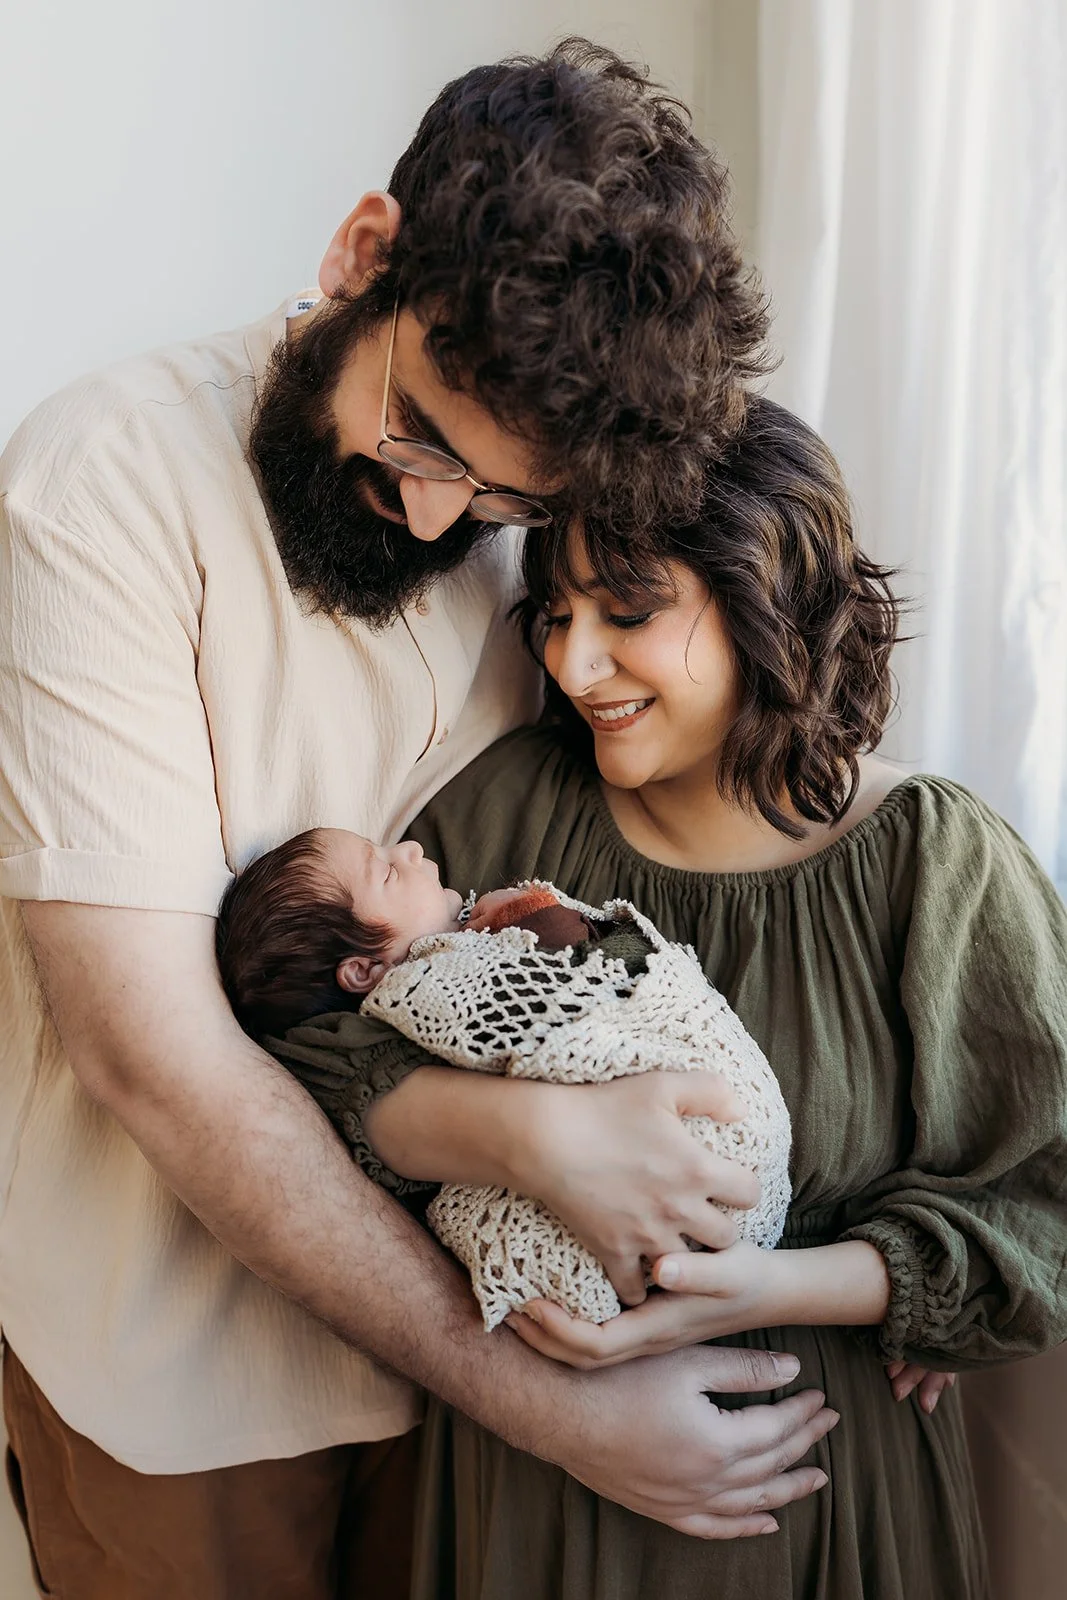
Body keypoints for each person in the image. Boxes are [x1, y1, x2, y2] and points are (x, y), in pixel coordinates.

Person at [0, 40, 835, 1600]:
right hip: (193, 1385)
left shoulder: (539, 547)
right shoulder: (103, 483)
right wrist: (559, 1404)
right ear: (362, 255)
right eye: (424, 439)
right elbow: (152, 1054)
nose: (443, 520)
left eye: (505, 502)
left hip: (491, 1374)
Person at [327, 395, 1067, 1599]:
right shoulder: (500, 817)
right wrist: (521, 1134)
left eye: (628, 613)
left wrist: (800, 1283)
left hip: (825, 1507)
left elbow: (1044, 1204)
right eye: (557, 615)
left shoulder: (934, 862)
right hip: (529, 1502)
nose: (569, 663)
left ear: (767, 601)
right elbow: (305, 1055)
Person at [213, 829, 793, 1326]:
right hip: (653, 1193)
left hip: (688, 1166)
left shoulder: (459, 952)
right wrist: (538, 917)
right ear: (364, 971)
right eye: (387, 870)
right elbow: (564, 997)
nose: (412, 849)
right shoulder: (430, 988)